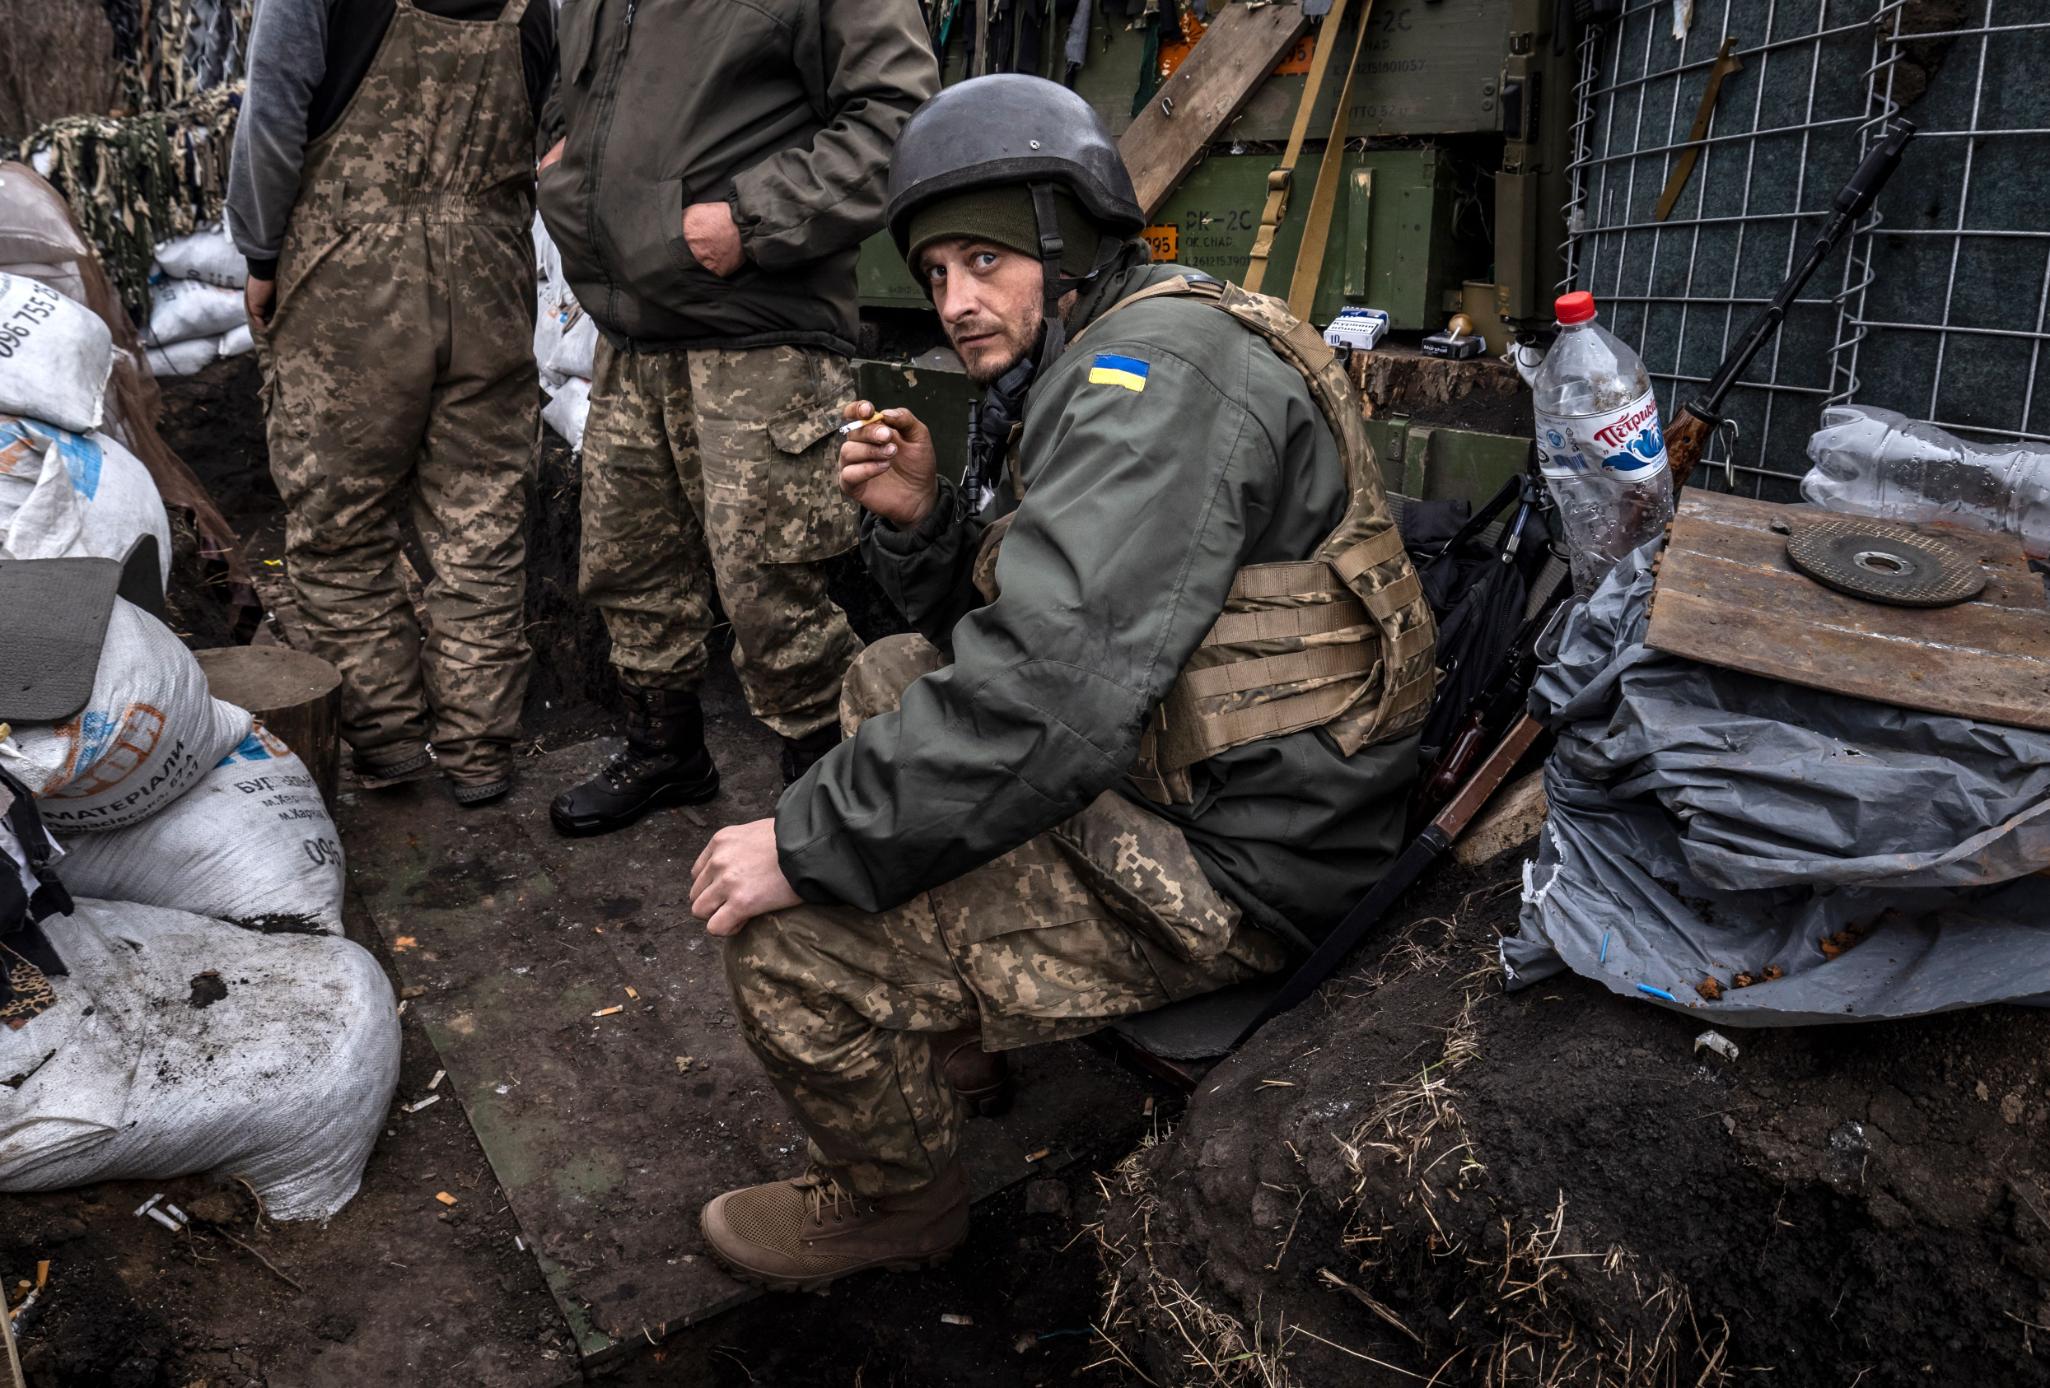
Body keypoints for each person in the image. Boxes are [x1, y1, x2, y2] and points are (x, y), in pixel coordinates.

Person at [686, 75, 1440, 1291]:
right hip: (1202, 782)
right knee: (889, 671)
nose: (955, 302)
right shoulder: (1130, 345)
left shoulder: (1152, 377)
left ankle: (897, 1206)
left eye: (984, 259)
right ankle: (956, 1033)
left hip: (1244, 857)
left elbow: (1048, 693)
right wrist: (926, 519)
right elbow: (1045, 628)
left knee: (789, 947)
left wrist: (806, 842)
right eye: (936, 272)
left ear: (1068, 243)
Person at [538, 0, 941, 838]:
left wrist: (749, 219)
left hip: (761, 334)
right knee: (630, 565)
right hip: (632, 330)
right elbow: (578, 95)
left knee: (771, 589)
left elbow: (900, 119)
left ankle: (829, 783)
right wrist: (565, 162)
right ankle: (664, 749)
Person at [227, 0, 555, 806]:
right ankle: (479, 750)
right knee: (481, 524)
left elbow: (272, 113)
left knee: (341, 531)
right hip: (490, 271)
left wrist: (261, 252)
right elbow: (563, 121)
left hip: (349, 276)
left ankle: (389, 740)